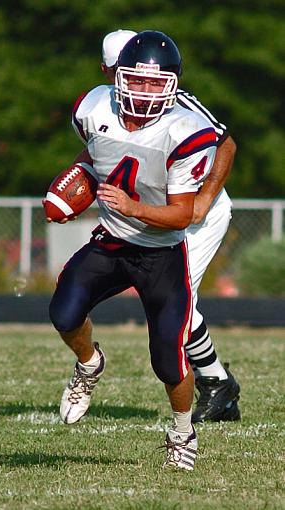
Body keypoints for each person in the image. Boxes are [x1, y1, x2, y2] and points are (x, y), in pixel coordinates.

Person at [48, 30, 220, 470]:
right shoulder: (92, 107)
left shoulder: (186, 130)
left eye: (154, 82)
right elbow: (97, 155)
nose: (144, 91)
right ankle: (89, 364)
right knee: (63, 313)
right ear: (117, 77)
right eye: (136, 80)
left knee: (167, 356)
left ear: (173, 84)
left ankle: (183, 433)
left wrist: (135, 207)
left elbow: (182, 215)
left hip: (161, 252)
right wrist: (77, 184)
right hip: (112, 240)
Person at [100, 30, 240, 423]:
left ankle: (216, 384)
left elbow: (225, 143)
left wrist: (205, 198)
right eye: (118, 74)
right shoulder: (103, 106)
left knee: (171, 300)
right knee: (166, 300)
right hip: (158, 218)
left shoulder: (175, 100)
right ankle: (218, 383)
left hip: (196, 214)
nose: (135, 88)